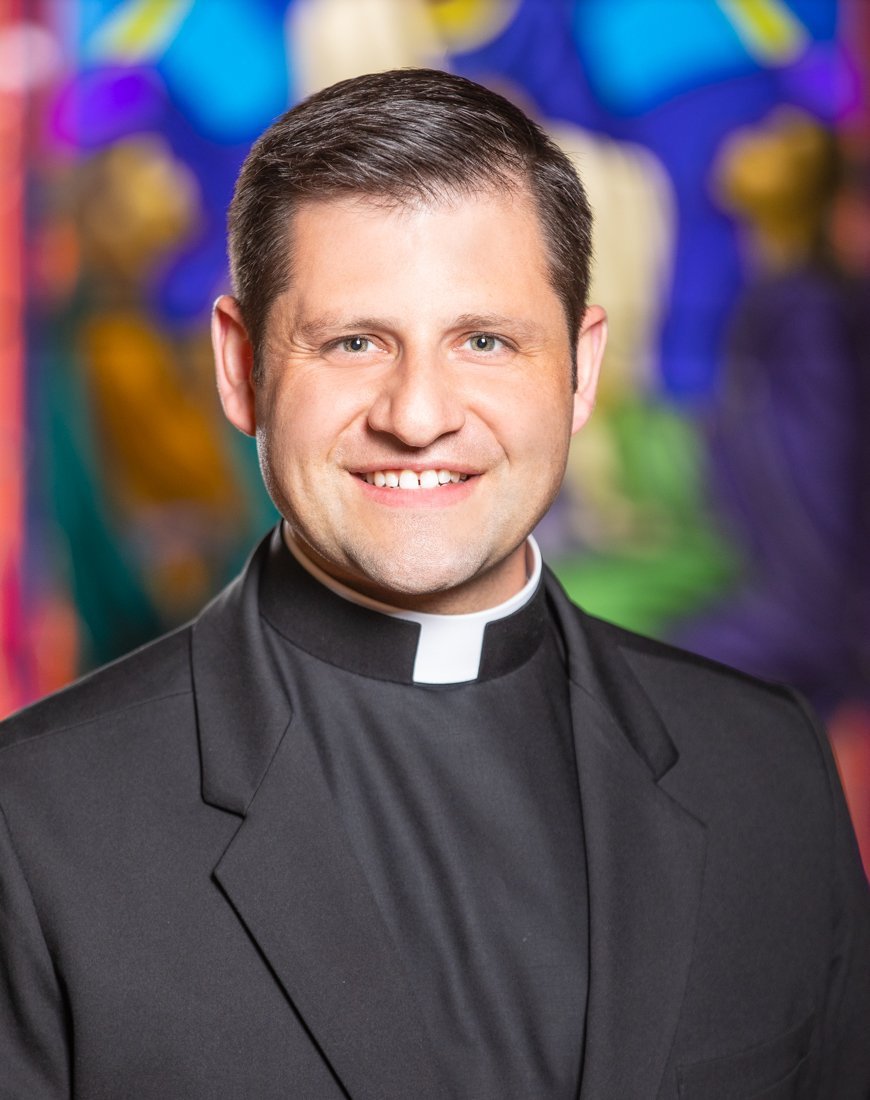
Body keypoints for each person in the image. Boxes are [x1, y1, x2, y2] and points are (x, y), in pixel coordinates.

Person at [1, 69, 868, 1100]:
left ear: (582, 370)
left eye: (486, 340)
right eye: (355, 341)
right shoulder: (36, 820)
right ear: (241, 367)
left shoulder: (767, 770)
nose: (418, 414)